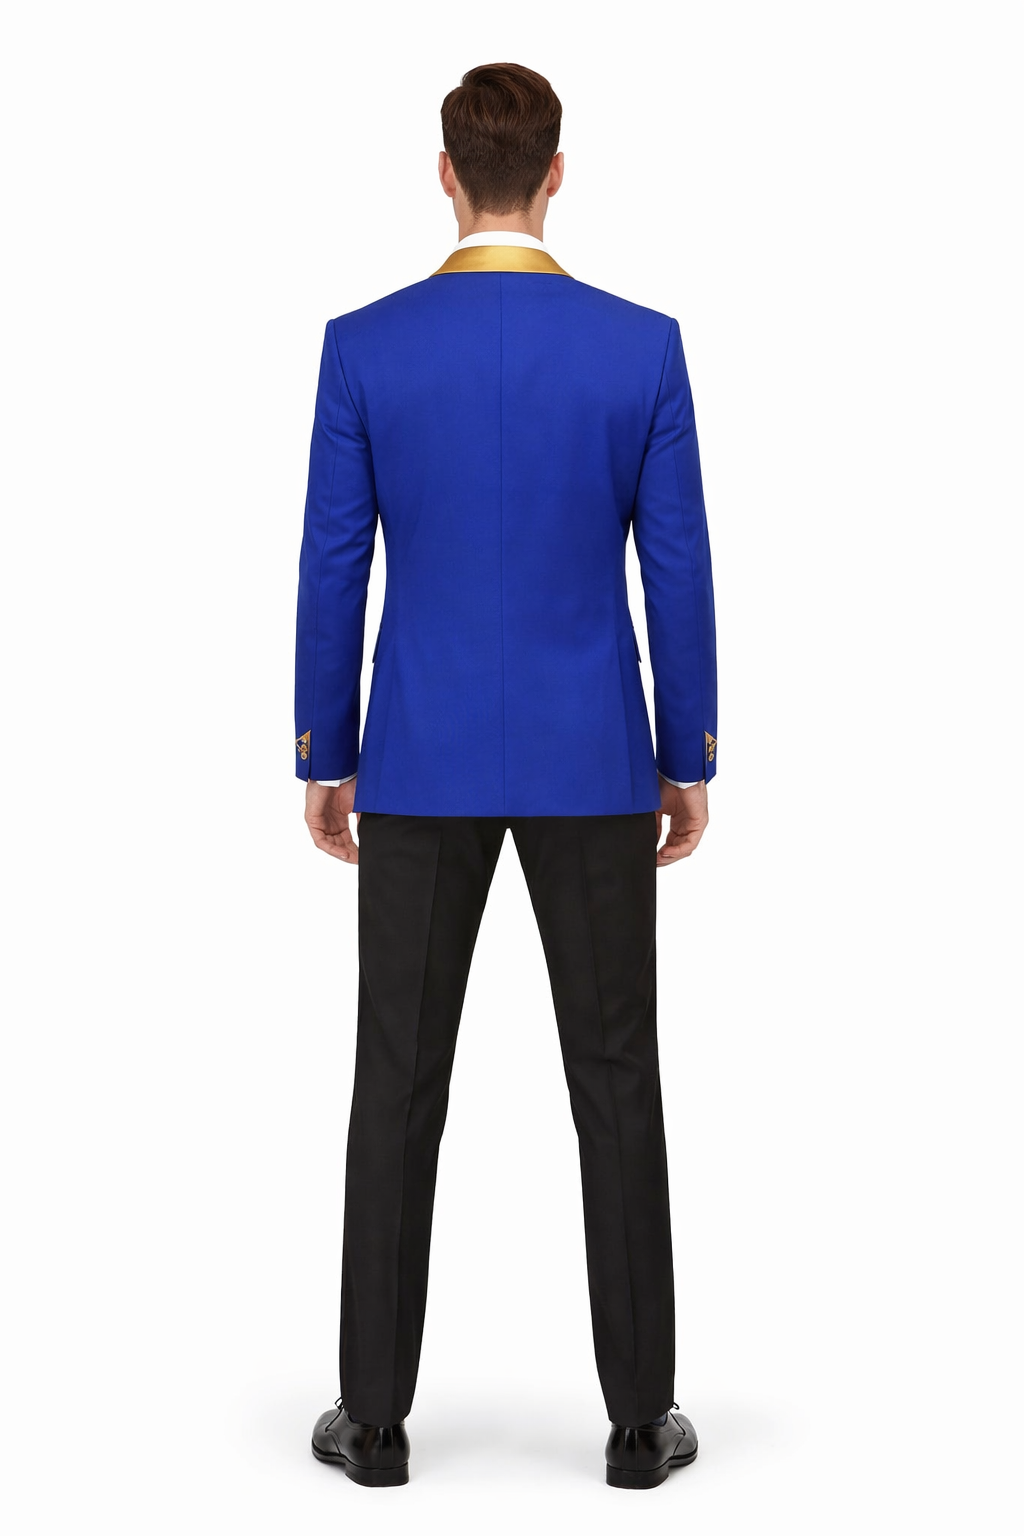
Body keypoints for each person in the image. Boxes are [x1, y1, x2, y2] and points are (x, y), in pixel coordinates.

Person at [295, 61, 717, 1490]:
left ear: (443, 174)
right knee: (618, 1081)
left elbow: (334, 564)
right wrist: (686, 755)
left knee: (396, 1081)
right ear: (555, 174)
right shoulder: (639, 349)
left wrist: (325, 750)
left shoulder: (365, 347)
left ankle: (375, 1425)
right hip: (595, 762)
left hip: (417, 758)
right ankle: (639, 1426)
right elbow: (676, 569)